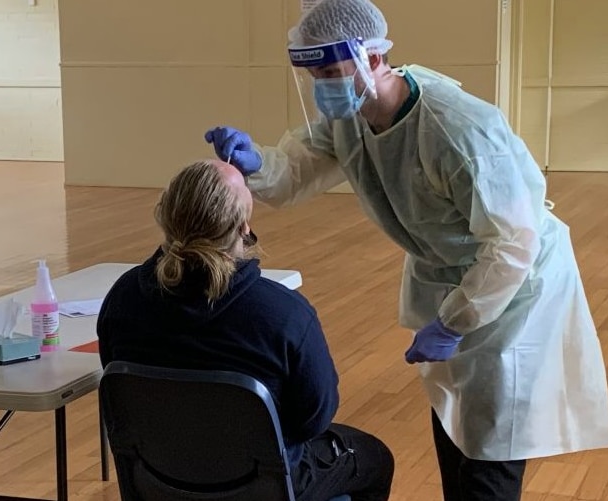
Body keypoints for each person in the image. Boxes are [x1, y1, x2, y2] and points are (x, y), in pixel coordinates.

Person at [203, 0, 608, 499]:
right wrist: (258, 163)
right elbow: (297, 170)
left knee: (492, 438)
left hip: (513, 289)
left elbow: (512, 243)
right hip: (449, 272)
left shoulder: (459, 130)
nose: (324, 86)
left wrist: (456, 320)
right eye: (315, 75)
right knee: (453, 417)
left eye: (332, 71)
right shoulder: (352, 114)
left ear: (373, 58)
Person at [97, 159, 394, 501]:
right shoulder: (283, 314)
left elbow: (116, 383)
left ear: (167, 214)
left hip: (157, 476)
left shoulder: (122, 299)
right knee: (374, 459)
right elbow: (315, 417)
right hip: (263, 481)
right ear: (243, 228)